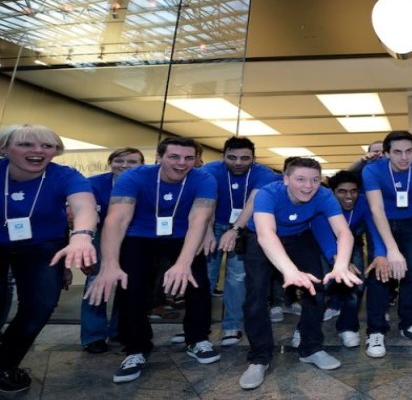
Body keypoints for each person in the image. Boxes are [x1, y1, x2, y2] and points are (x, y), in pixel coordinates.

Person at [85, 137, 219, 384]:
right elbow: (118, 219)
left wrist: (183, 264)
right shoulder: (134, 177)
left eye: (189, 158)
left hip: (182, 235)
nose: (181, 163)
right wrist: (110, 264)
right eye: (174, 157)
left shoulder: (204, 179)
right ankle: (136, 348)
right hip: (139, 236)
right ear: (159, 157)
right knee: (132, 288)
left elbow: (198, 220)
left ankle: (197, 339)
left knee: (197, 283)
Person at [241, 157, 362, 389]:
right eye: (300, 179)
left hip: (299, 237)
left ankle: (311, 348)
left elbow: (344, 233)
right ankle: (259, 358)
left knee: (316, 289)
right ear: (286, 179)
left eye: (315, 180)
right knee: (256, 296)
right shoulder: (268, 193)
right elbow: (266, 235)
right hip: (261, 239)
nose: (308, 186)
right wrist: (290, 270)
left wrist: (340, 265)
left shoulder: (324, 195)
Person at [0, 124, 98, 394]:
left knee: (41, 305)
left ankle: (5, 363)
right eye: (26, 144)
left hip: (43, 244)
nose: (38, 151)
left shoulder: (64, 175)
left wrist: (81, 236)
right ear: (4, 148)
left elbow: (84, 206)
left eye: (47, 145)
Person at [362, 130, 412, 358]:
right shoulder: (372, 170)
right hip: (380, 221)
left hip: (410, 222)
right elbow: (376, 209)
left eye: (409, 151)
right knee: (380, 272)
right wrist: (392, 250)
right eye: (397, 152)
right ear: (386, 153)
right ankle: (376, 331)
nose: (404, 157)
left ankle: (409, 324)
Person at [202, 137, 276, 347]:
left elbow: (253, 202)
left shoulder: (264, 174)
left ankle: (232, 326)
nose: (238, 162)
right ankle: (197, 327)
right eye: (232, 157)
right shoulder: (209, 170)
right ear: (223, 156)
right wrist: (207, 231)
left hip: (244, 228)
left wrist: (235, 229)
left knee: (237, 277)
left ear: (254, 158)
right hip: (213, 224)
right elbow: (207, 203)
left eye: (245, 158)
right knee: (206, 275)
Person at [311, 170, 386, 348]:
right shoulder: (323, 202)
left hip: (352, 245)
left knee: (356, 284)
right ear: (333, 192)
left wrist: (380, 253)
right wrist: (340, 261)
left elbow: (373, 228)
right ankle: (305, 329)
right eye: (342, 191)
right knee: (318, 286)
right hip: (323, 245)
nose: (349, 196)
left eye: (353, 191)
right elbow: (321, 232)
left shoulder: (363, 202)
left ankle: (348, 327)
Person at [81, 147, 144, 354]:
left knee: (129, 283)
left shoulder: (147, 182)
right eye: (119, 160)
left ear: (141, 165)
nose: (124, 165)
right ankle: (94, 336)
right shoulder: (93, 184)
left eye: (132, 162)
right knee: (97, 281)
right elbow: (86, 215)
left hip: (136, 235)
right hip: (102, 235)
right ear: (110, 163)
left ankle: (121, 330)